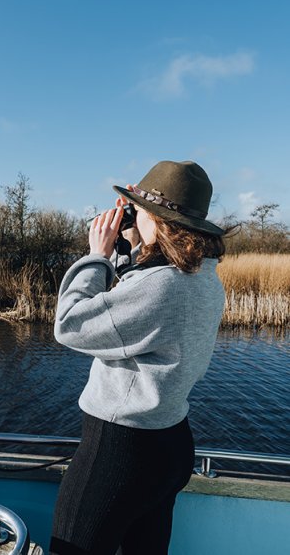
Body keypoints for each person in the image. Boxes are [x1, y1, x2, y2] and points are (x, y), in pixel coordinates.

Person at [49, 160, 226, 555]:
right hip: (170, 447)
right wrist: (130, 246)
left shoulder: (163, 288)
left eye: (140, 211)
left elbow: (71, 324)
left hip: (119, 453)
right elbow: (134, 300)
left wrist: (97, 255)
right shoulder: (204, 279)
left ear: (160, 220)